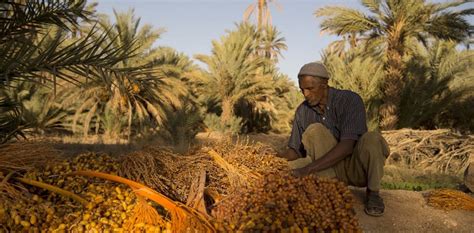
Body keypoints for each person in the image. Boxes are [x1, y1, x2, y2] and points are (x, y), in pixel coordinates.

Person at [277, 61, 390, 217]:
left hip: (355, 168)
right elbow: (295, 151)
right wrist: (272, 157)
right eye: (302, 89)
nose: (305, 94)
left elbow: (348, 145)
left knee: (372, 138)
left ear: (324, 84)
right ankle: (331, 188)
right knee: (313, 133)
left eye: (310, 89)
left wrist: (306, 170)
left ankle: (373, 193)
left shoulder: (349, 100)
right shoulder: (302, 111)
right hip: (327, 172)